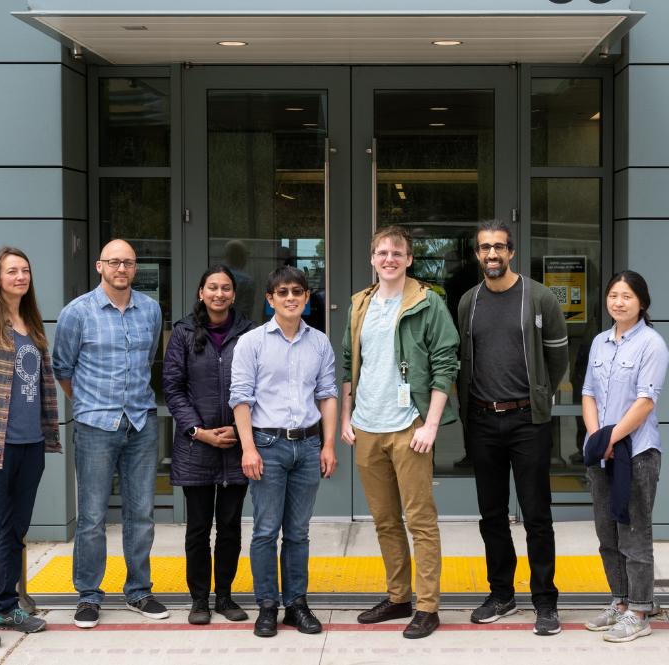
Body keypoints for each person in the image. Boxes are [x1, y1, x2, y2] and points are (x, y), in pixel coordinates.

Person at [340, 225, 459, 639]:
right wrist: (345, 419)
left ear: (410, 259)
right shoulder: (360, 304)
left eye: (397, 253)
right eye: (381, 252)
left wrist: (429, 424)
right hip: (366, 427)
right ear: (372, 258)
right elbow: (347, 365)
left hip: (409, 426)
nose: (388, 259)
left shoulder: (428, 304)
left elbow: (446, 364)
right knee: (385, 520)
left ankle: (427, 606)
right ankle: (399, 597)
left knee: (420, 520)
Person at [457, 221, 569, 635]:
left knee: (537, 515)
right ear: (476, 254)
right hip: (483, 419)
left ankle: (545, 601)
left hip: (527, 420)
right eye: (485, 248)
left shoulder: (538, 297)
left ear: (511, 252)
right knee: (492, 515)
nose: (492, 255)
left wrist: (538, 394)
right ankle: (501, 593)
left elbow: (557, 358)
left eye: (499, 247)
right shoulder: (469, 301)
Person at [53, 239, 166, 629]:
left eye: (129, 263)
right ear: (100, 266)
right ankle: (88, 595)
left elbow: (150, 357)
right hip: (95, 426)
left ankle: (139, 590)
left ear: (136, 268)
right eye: (115, 262)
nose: (122, 268)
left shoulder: (150, 310)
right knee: (92, 516)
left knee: (142, 514)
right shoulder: (77, 313)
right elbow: (62, 369)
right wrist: (88, 404)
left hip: (141, 422)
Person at [230, 266, 337, 638]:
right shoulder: (252, 342)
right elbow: (240, 399)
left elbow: (327, 394)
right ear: (270, 299)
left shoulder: (320, 342)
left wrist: (327, 444)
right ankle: (266, 606)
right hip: (267, 446)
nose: (290, 297)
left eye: (297, 291)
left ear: (307, 298)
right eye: (283, 292)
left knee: (298, 532)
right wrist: (248, 449)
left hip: (308, 445)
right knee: (265, 530)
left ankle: (296, 605)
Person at [0, 248, 60, 649]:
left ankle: (5, 607)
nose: (21, 276)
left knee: (14, 532)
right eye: (12, 271)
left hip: (31, 445)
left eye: (25, 270)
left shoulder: (33, 326)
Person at [163, 265, 256, 625]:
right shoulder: (184, 332)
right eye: (212, 287)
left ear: (234, 294)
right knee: (198, 529)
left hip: (236, 445)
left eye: (226, 288)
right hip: (195, 447)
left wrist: (237, 429)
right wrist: (197, 431)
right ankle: (199, 599)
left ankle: (225, 597)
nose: (219, 294)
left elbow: (256, 385)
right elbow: (172, 387)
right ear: (201, 292)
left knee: (230, 527)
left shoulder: (249, 333)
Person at [581, 270, 669, 642]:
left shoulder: (652, 344)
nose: (618, 301)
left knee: (634, 535)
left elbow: (645, 402)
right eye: (613, 295)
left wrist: (611, 438)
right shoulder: (600, 342)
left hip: (637, 453)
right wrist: (596, 437)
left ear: (642, 303)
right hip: (603, 451)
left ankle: (640, 608)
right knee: (606, 533)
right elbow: (587, 392)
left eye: (627, 296)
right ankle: (619, 601)